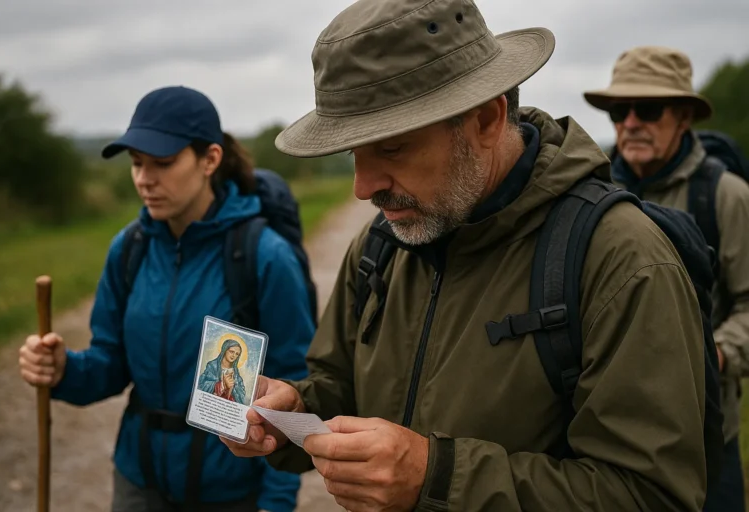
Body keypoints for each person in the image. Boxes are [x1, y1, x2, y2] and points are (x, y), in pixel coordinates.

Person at [221, 0, 711, 511]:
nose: (363, 188)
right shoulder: (380, 246)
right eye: (353, 153)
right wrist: (295, 411)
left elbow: (652, 494)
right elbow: (338, 385)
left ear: (485, 119)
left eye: (391, 149)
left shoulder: (619, 260)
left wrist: (434, 478)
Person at [17, 85, 315, 512]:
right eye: (137, 164)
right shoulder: (130, 249)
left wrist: (276, 501)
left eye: (162, 163)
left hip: (229, 492)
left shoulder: (264, 256)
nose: (143, 178)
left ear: (210, 159)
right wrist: (64, 370)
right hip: (139, 484)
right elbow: (111, 363)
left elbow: (295, 385)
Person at [583, 45, 749, 512]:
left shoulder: (727, 196)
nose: (630, 122)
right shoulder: (589, 195)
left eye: (648, 109)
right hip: (608, 441)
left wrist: (716, 353)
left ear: (682, 117)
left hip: (706, 437)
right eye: (619, 110)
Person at [198, 338, 248, 404]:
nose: (234, 355)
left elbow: (242, 393)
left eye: (237, 354)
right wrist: (223, 384)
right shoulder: (212, 366)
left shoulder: (236, 373)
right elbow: (201, 385)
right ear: (225, 350)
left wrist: (233, 387)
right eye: (231, 351)